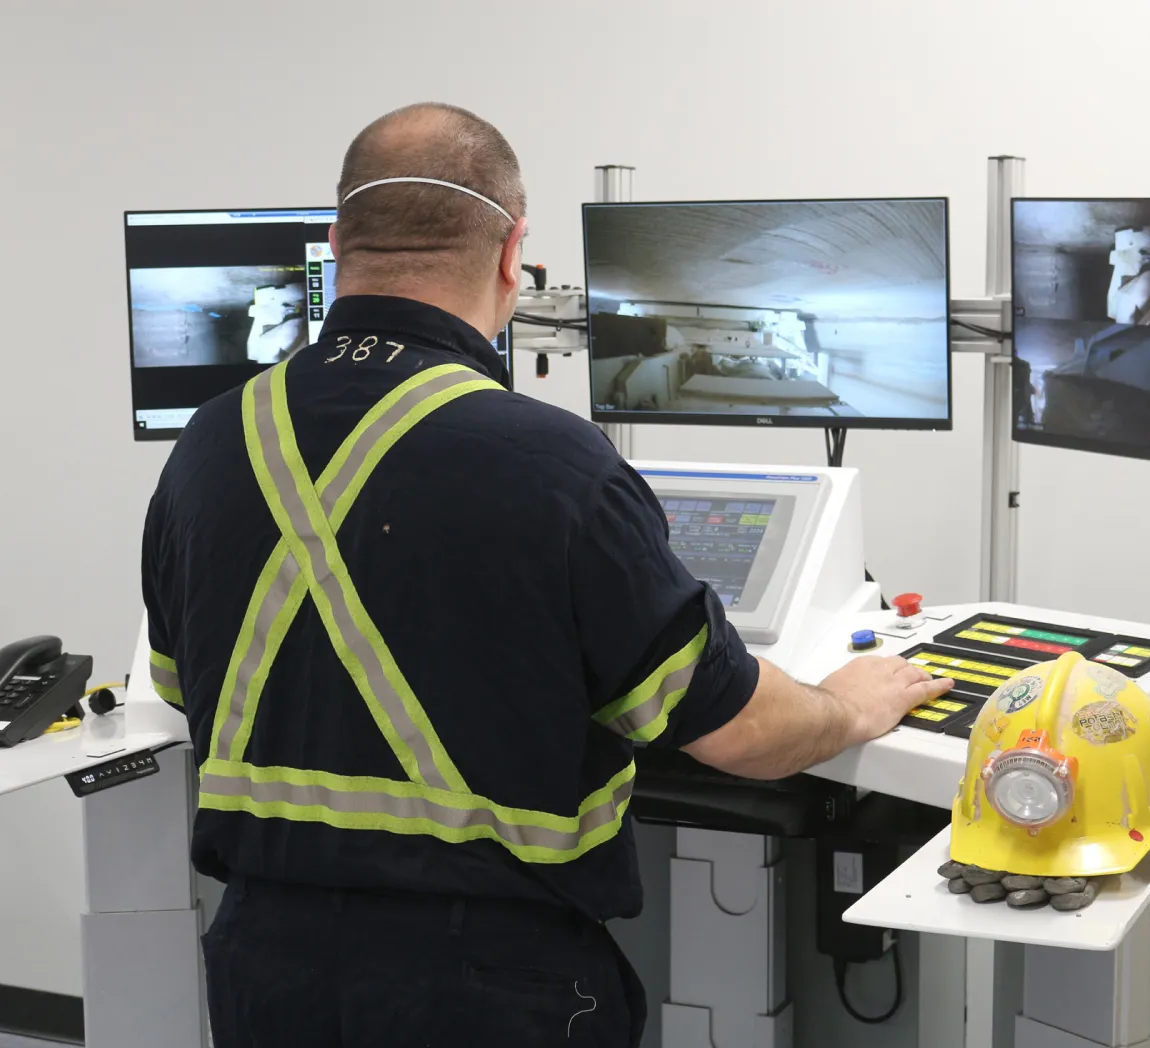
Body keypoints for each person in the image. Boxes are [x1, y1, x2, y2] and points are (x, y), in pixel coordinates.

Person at [140, 102, 955, 1048]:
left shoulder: (211, 439)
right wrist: (849, 706)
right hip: (484, 985)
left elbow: (180, 688)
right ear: (509, 254)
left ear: (337, 241)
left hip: (262, 970)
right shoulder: (555, 466)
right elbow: (738, 734)